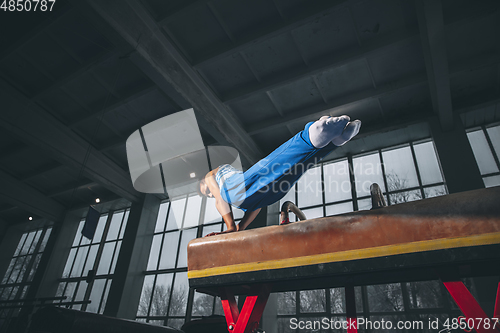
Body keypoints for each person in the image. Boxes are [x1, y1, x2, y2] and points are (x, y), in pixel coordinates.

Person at [198, 115, 361, 236]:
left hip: (237, 188)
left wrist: (231, 226)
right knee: (295, 168)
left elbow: (220, 200)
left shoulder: (211, 176)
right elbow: (256, 206)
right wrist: (240, 227)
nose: (210, 194)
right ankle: (334, 141)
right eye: (209, 195)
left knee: (273, 163)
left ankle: (311, 136)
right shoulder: (241, 187)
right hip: (261, 198)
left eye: (206, 191)